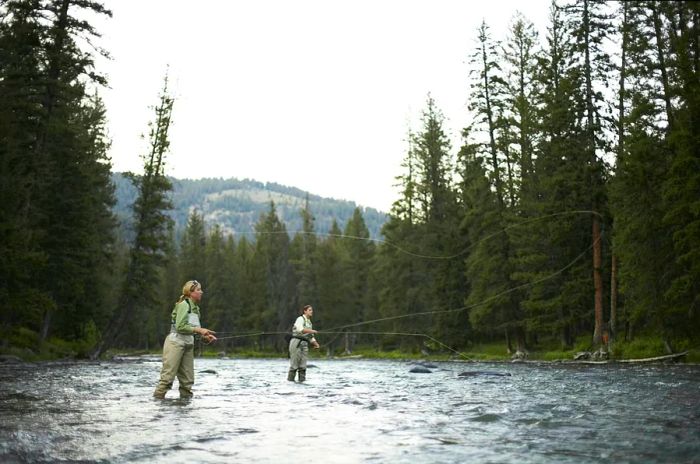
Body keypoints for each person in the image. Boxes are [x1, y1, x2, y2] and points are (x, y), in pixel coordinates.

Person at [153, 280, 217, 399]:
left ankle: (185, 411)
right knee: (167, 379)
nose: (201, 292)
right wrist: (200, 330)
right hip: (175, 342)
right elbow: (180, 326)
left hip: (188, 344)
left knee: (187, 382)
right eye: (198, 290)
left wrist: (206, 338)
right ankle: (158, 407)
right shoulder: (184, 305)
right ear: (190, 292)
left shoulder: (196, 309)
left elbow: (194, 332)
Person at [287, 304, 320, 382]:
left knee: (303, 366)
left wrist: (316, 343)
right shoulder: (300, 319)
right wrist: (312, 331)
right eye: (310, 310)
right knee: (294, 366)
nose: (312, 312)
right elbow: (300, 329)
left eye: (312, 310)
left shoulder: (309, 323)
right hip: (296, 342)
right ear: (305, 311)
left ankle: (302, 383)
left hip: (304, 344)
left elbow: (310, 336)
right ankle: (290, 383)